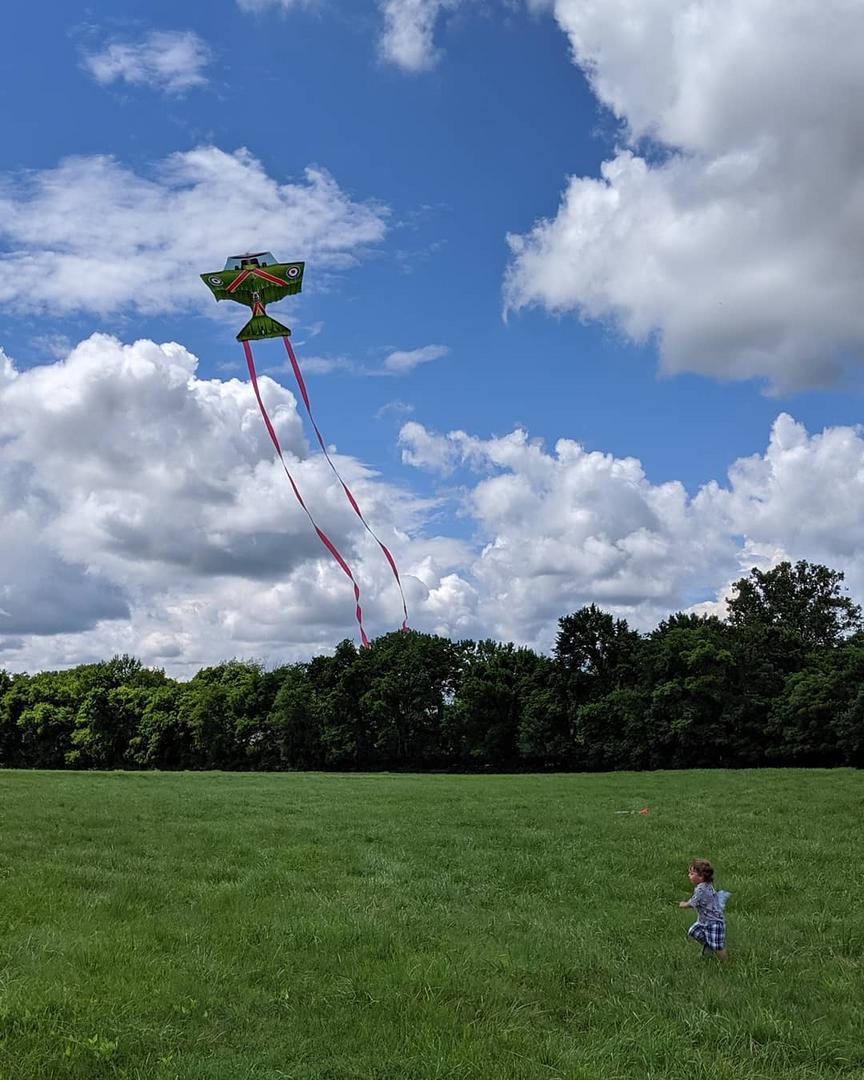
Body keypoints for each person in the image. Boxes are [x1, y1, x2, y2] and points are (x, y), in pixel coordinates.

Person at [679, 859, 730, 959]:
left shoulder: (701, 889)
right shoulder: (704, 885)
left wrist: (683, 904)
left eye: (692, 873)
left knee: (718, 947)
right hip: (704, 921)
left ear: (701, 877)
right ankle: (709, 946)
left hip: (714, 922)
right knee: (694, 931)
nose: (689, 875)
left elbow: (692, 903)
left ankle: (726, 962)